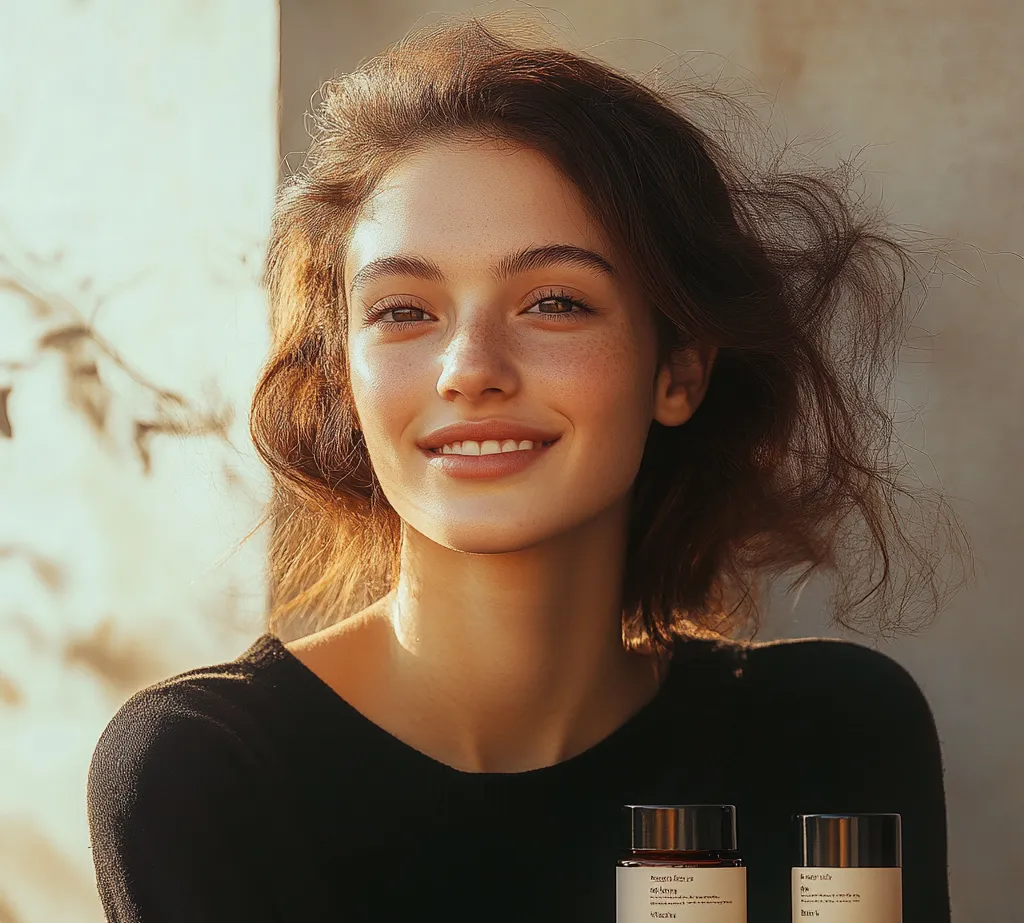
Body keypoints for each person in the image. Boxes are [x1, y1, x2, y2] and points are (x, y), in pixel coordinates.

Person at [85, 11, 973, 923]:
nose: (469, 367)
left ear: (679, 368)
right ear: (345, 372)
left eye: (553, 301)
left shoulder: (833, 737)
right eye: (402, 311)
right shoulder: (207, 772)